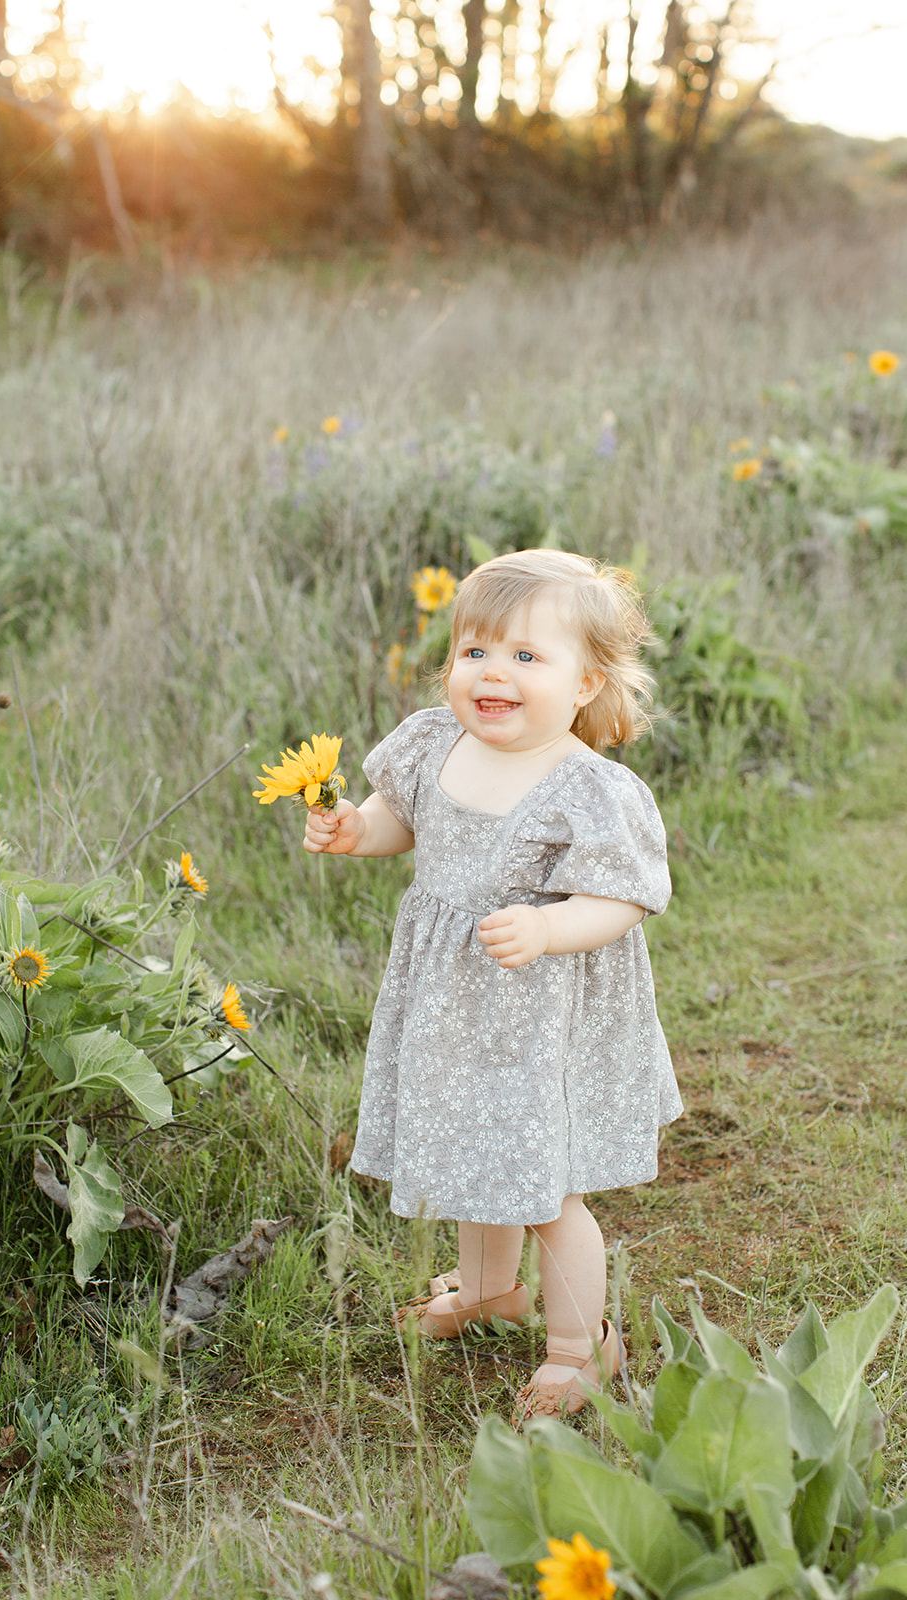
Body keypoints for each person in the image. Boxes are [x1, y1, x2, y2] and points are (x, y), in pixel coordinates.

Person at [303, 549, 681, 1421]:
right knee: (473, 1146)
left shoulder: (590, 790)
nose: (491, 674)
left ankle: (578, 1348)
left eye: (525, 657)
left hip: (542, 1012)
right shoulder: (438, 743)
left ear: (586, 683)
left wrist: (550, 925)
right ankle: (487, 1290)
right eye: (475, 651)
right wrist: (356, 829)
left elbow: (622, 899)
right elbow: (406, 820)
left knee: (546, 1183)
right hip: (451, 1002)